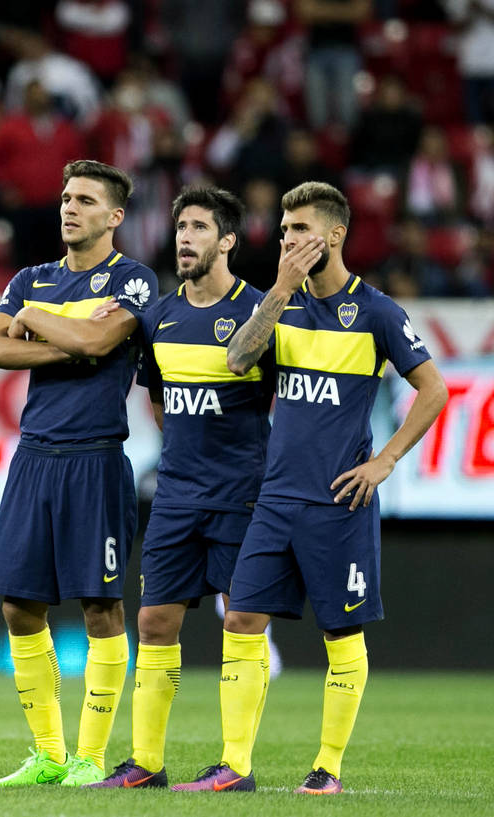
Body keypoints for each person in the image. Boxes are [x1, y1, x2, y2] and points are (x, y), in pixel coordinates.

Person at [172, 181, 448, 794]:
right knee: (240, 618)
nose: (289, 240)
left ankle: (327, 769)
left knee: (341, 633)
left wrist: (386, 461)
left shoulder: (376, 311)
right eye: (286, 230)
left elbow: (434, 391)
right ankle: (235, 767)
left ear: (335, 235)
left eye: (301, 230)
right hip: (274, 497)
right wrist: (278, 290)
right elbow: (239, 359)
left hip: (339, 500)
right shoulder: (280, 303)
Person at [83, 186, 274, 789]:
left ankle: (236, 766)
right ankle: (147, 763)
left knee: (241, 622)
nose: (184, 237)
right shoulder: (161, 315)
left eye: (197, 227)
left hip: (242, 495)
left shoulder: (261, 311)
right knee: (154, 623)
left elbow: (278, 397)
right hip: (176, 497)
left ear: (227, 241)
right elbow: (162, 400)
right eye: (180, 226)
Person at [0, 159, 158, 787]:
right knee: (19, 607)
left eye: (84, 200)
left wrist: (42, 320)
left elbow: (102, 345)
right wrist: (71, 334)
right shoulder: (34, 277)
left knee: (101, 606)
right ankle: (50, 754)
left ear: (114, 217)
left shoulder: (135, 279)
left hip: (96, 459)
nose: (69, 208)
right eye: (65, 198)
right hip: (34, 458)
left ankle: (91, 756)